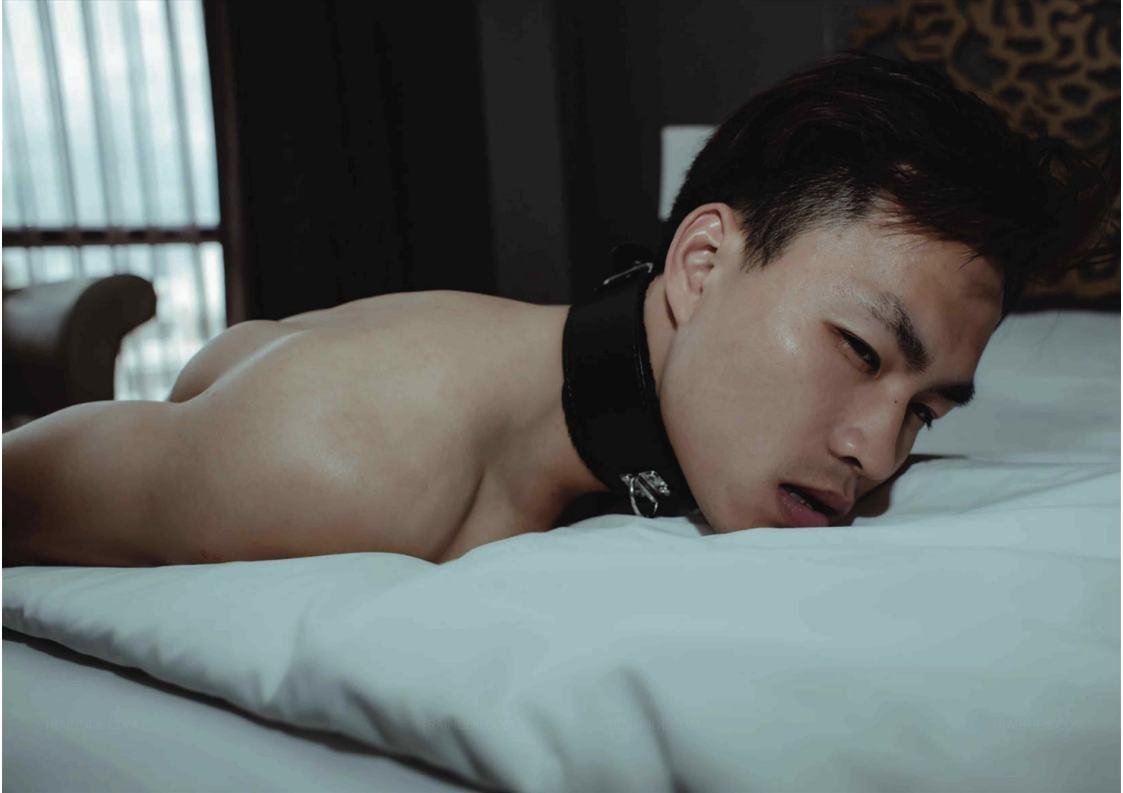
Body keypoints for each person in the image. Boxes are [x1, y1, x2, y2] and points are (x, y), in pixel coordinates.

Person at [2, 53, 1110, 568]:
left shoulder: (668, 421)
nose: (876, 451)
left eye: (925, 411)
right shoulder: (338, 463)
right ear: (701, 262)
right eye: (861, 349)